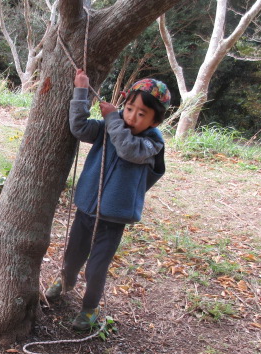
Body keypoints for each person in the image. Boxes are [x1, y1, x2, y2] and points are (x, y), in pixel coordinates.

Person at [46, 69, 170, 331]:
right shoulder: (109, 128)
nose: (131, 116)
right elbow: (79, 127)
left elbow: (127, 149)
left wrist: (113, 118)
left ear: (154, 122)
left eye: (141, 114)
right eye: (129, 108)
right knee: (73, 254)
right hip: (87, 208)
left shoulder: (150, 144)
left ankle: (90, 308)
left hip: (113, 218)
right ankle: (66, 282)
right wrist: (81, 91)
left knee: (96, 266)